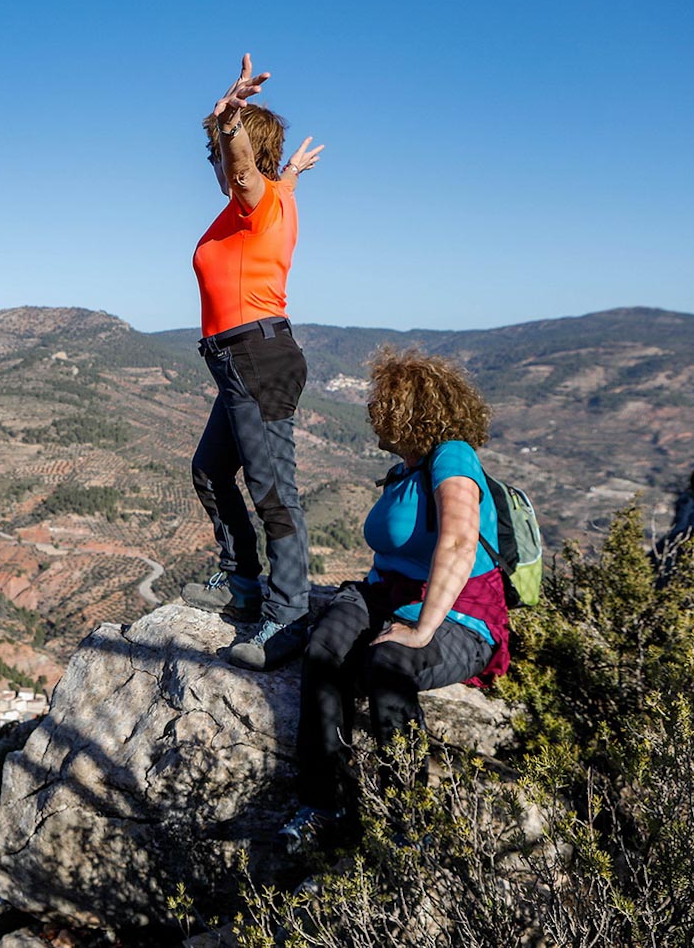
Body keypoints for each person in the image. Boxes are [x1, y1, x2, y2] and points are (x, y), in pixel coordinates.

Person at [281, 346, 511, 846]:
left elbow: (458, 539)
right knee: (325, 650)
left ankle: (406, 820)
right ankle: (324, 804)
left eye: (381, 403)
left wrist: (422, 628)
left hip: (459, 612)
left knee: (388, 663)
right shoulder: (407, 470)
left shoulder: (453, 456)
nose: (372, 413)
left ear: (409, 411)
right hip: (386, 593)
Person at [180, 53, 325, 671]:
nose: (214, 165)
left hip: (256, 358)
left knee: (272, 491)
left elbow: (244, 171)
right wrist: (292, 168)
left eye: (215, 155)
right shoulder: (278, 195)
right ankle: (241, 581)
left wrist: (229, 118)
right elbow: (272, 177)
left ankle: (287, 615)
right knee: (211, 471)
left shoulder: (254, 201)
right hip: (236, 363)